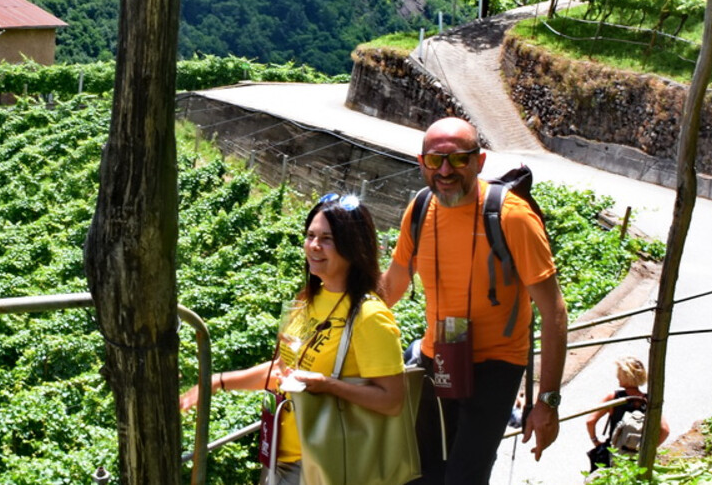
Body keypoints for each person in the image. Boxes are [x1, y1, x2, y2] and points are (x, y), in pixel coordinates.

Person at [381, 117, 568, 485]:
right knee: (422, 474)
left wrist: (547, 401)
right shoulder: (419, 211)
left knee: (465, 478)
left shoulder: (513, 217)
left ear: (479, 162)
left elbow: (554, 313)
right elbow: (393, 285)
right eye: (435, 161)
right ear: (421, 163)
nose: (446, 171)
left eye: (459, 159)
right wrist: (341, 309)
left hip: (496, 365)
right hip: (439, 358)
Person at [180, 193, 406, 485]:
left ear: (353, 246)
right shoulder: (311, 298)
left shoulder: (369, 316)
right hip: (279, 452)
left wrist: (329, 385)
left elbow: (393, 401)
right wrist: (217, 382)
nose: (314, 245)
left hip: (321, 461)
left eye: (327, 238)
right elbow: (282, 369)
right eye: (310, 235)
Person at [584, 356, 670, 472]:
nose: (617, 377)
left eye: (619, 374)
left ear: (626, 376)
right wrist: (647, 450)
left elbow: (590, 421)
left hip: (614, 452)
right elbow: (664, 430)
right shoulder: (648, 400)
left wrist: (596, 441)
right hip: (637, 455)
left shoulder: (614, 398)